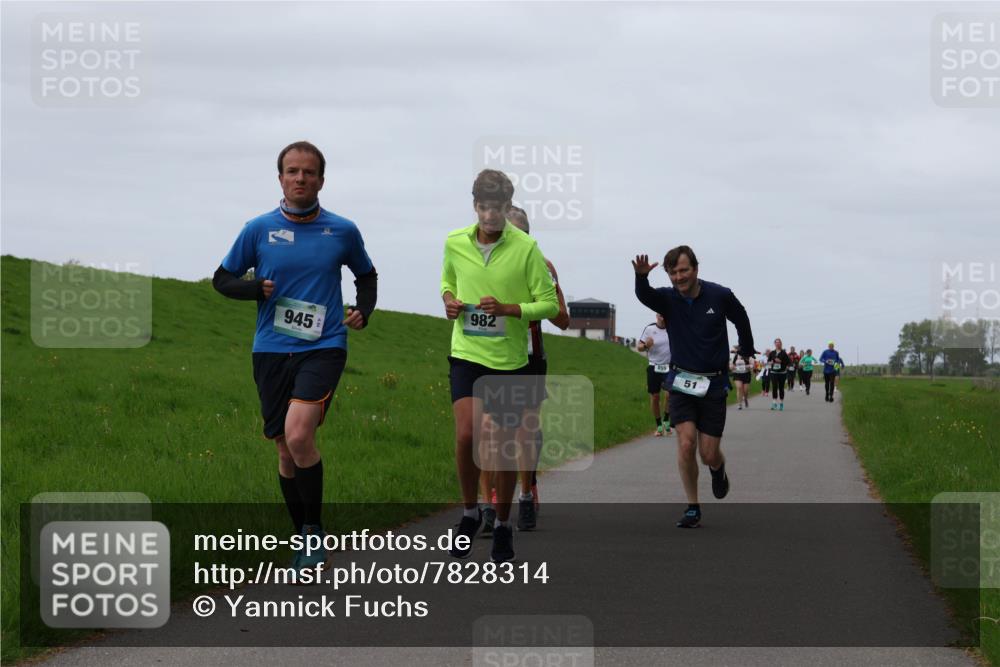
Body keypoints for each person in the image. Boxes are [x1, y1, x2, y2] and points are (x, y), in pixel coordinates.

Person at [213, 141, 377, 575]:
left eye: (308, 172)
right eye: (292, 171)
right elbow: (222, 279)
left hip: (323, 346)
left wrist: (364, 308)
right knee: (286, 453)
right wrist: (253, 288)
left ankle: (314, 532)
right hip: (270, 349)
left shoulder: (342, 230)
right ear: (280, 178)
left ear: (322, 180)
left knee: (300, 434)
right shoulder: (258, 229)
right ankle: (303, 535)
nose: (300, 178)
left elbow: (366, 274)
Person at [441, 170, 559, 562]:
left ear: (509, 208)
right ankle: (470, 512)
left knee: (503, 445)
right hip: (466, 352)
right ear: (474, 205)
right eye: (484, 207)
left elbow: (550, 305)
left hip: (510, 360)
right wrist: (449, 300)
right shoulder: (454, 242)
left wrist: (509, 309)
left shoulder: (527, 248)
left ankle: (504, 523)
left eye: (499, 208)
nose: (491, 215)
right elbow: (447, 280)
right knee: (467, 435)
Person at [633, 246, 755, 529]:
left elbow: (741, 317)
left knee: (708, 453)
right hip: (681, 381)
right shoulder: (668, 299)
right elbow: (645, 296)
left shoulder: (719, 295)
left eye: (684, 270)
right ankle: (692, 506)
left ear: (696, 269)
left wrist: (746, 348)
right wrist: (641, 278)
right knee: (686, 443)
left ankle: (718, 468)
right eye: (673, 272)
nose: (679, 277)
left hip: (713, 382)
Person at [638, 313, 673, 435]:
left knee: (669, 395)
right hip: (654, 366)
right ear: (656, 315)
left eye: (664, 312)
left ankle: (666, 420)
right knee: (655, 397)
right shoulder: (649, 329)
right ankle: (658, 425)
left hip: (669, 366)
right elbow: (639, 347)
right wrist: (646, 345)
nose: (662, 315)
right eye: (660, 313)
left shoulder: (672, 327)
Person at [767, 339, 791, 411]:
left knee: (781, 388)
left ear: (781, 344)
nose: (778, 344)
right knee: (774, 387)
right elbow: (768, 362)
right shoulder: (772, 353)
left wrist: (781, 362)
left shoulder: (784, 353)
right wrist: (771, 362)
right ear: (774, 344)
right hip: (774, 372)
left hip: (782, 373)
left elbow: (788, 363)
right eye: (776, 343)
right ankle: (774, 403)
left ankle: (781, 403)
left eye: (779, 343)